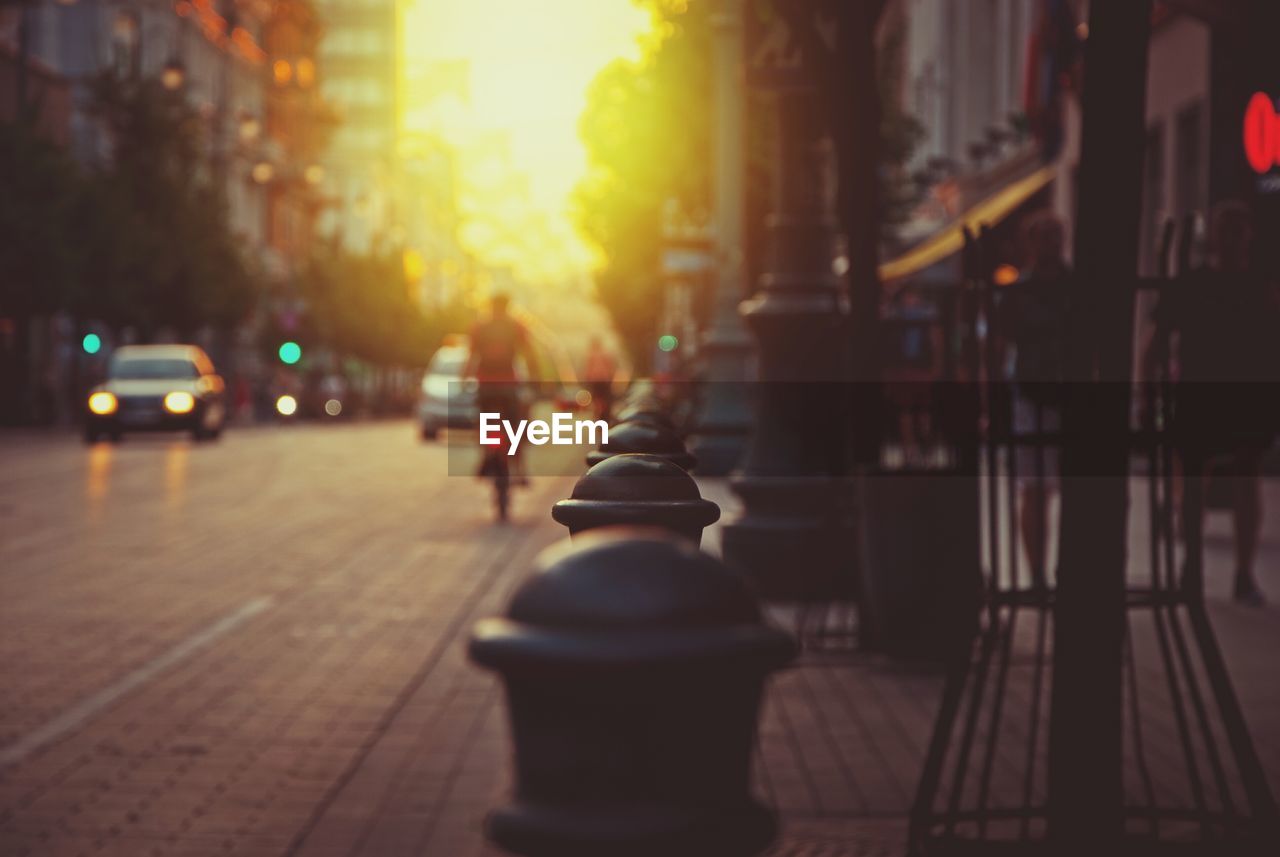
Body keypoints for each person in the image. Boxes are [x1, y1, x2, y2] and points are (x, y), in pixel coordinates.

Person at [1150, 201, 1279, 606]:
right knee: (1195, 480)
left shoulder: (1263, 284)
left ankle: (1241, 571)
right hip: (1200, 392)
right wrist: (1144, 387)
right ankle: (1193, 563)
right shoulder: (1193, 283)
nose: (1231, 238)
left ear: (1249, 235)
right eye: (1226, 229)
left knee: (1245, 478)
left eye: (1237, 230)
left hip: (1248, 392)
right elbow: (1157, 337)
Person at [998, 210, 1072, 590]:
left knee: (1067, 486)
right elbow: (1001, 339)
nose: (1051, 244)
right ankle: (1039, 573)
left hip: (1071, 396)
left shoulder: (1076, 286)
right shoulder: (1019, 291)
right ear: (1031, 244)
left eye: (1056, 236)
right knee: (1035, 487)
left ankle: (1063, 571)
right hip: (1031, 392)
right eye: (1044, 237)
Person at [465, 293, 539, 481]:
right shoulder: (515, 326)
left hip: (485, 384)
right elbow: (529, 353)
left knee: (483, 422)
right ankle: (519, 466)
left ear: (490, 306)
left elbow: (471, 355)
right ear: (507, 307)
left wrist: (464, 377)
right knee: (516, 425)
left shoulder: (480, 327)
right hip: (508, 384)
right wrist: (535, 376)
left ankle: (486, 456)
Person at [582, 336, 617, 421]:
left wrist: (587, 379)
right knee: (605, 398)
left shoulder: (590, 354)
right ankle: (604, 413)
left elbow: (588, 368)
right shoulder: (606, 353)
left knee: (597, 399)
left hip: (594, 380)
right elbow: (611, 367)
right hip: (605, 379)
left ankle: (598, 412)